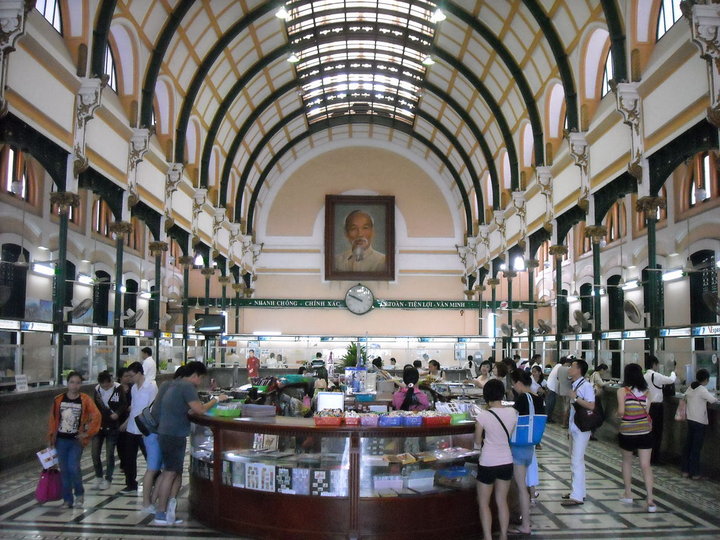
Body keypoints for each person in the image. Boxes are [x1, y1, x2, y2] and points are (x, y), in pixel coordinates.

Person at [152, 362, 228, 525]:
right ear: (194, 375)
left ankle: (168, 511)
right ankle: (161, 512)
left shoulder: (171, 384)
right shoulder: (187, 387)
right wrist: (216, 399)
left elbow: (184, 409)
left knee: (172, 472)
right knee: (170, 473)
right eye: (200, 378)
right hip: (174, 435)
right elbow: (200, 409)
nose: (200, 382)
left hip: (165, 433)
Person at [47, 371, 101, 509]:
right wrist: (51, 438)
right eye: (72, 382)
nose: (74, 385)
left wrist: (87, 433)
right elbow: (53, 420)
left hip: (76, 440)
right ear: (67, 383)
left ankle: (79, 493)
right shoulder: (59, 399)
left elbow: (96, 416)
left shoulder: (85, 399)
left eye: (77, 383)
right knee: (64, 470)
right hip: (61, 439)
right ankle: (67, 499)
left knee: (73, 467)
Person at [474, 378, 518, 540]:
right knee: (502, 501)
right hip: (506, 461)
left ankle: (488, 537)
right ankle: (504, 536)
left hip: (487, 462)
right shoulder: (512, 413)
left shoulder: (483, 416)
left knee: (484, 503)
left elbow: (478, 441)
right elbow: (510, 435)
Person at [509, 369, 545, 535]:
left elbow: (512, 420)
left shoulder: (524, 398)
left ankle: (525, 524)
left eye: (513, 383)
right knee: (522, 483)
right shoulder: (538, 399)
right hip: (530, 446)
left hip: (518, 446)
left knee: (520, 486)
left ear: (518, 383)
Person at [616, 363, 656, 512]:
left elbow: (621, 411)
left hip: (627, 431)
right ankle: (650, 499)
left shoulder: (622, 391)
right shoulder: (647, 392)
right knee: (645, 465)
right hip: (645, 431)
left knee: (627, 461)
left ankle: (628, 493)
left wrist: (617, 413)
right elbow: (646, 411)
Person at [562, 359, 595, 506]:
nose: (570, 368)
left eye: (573, 366)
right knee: (576, 460)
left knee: (576, 460)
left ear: (579, 370)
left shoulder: (586, 385)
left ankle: (577, 495)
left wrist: (575, 397)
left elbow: (591, 405)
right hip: (575, 427)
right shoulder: (576, 384)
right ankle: (579, 491)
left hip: (582, 428)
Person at [120, 362, 156, 493]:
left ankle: (156, 481)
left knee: (150, 456)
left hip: (145, 427)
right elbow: (134, 407)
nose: (130, 378)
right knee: (129, 456)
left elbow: (152, 408)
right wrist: (126, 422)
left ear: (140, 373)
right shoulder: (134, 388)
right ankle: (130, 483)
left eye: (132, 375)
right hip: (132, 427)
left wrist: (148, 427)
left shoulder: (151, 386)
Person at [92, 370, 128, 490]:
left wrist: (117, 414)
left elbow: (124, 404)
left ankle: (108, 478)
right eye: (104, 385)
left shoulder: (118, 388)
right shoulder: (97, 390)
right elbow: (94, 406)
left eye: (108, 384)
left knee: (109, 453)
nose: (107, 387)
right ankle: (98, 476)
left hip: (113, 426)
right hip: (99, 426)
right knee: (95, 452)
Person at [682, 368, 718, 480]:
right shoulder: (702, 389)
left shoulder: (691, 387)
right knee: (696, 448)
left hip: (690, 420)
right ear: (706, 379)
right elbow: (713, 400)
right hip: (699, 422)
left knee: (688, 446)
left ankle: (685, 471)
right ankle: (695, 473)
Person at [643, 355, 676, 465]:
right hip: (657, 407)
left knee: (649, 432)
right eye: (657, 364)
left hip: (648, 407)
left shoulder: (645, 376)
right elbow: (671, 380)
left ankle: (648, 456)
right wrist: (672, 372)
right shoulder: (656, 375)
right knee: (657, 433)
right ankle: (655, 458)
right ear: (654, 364)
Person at [116, 367, 133, 475]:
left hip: (130, 418)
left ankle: (128, 465)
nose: (128, 378)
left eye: (129, 376)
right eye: (125, 376)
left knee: (129, 443)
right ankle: (123, 463)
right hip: (119, 418)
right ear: (120, 378)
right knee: (120, 443)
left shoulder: (133, 388)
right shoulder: (116, 389)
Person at [556, 358, 572, 427]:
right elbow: (570, 378)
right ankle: (564, 423)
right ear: (567, 362)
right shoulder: (568, 369)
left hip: (561, 390)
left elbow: (557, 378)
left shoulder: (559, 368)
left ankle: (562, 422)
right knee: (567, 407)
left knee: (564, 406)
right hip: (568, 390)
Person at [545, 359, 561, 423]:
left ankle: (548, 418)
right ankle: (548, 419)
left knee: (549, 404)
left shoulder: (557, 366)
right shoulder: (560, 367)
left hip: (550, 386)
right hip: (552, 388)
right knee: (550, 404)